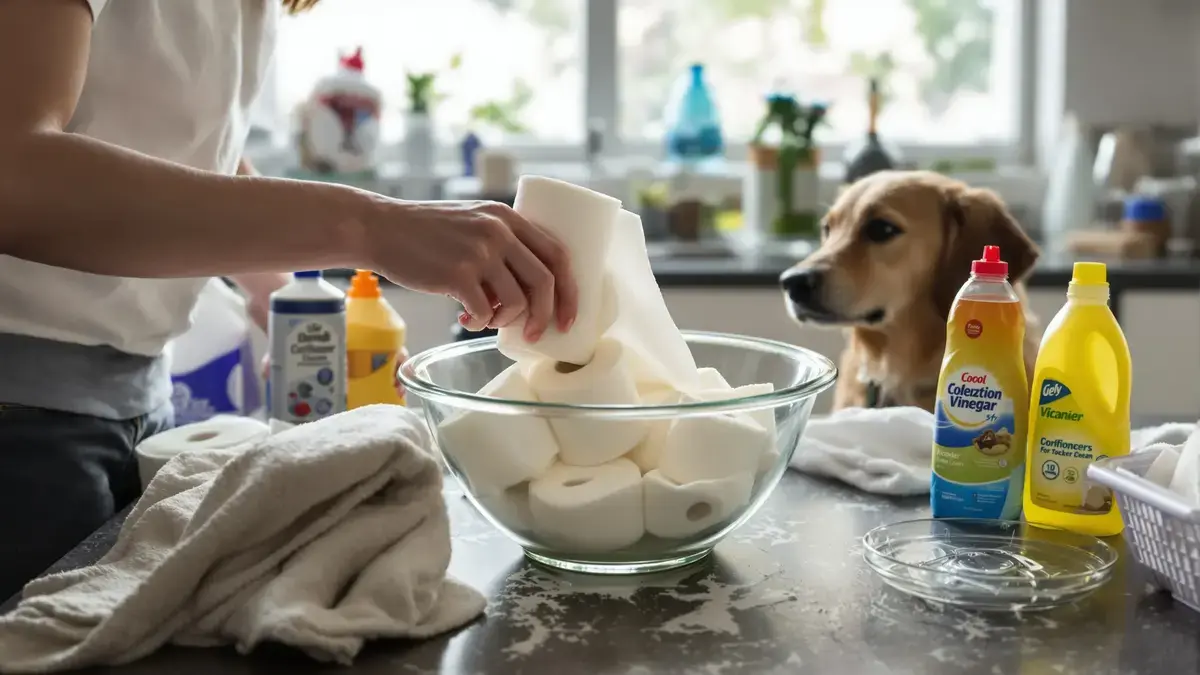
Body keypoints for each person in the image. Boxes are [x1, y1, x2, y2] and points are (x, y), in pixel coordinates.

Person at [0, 0, 577, 600]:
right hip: (21, 421)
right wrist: (369, 225)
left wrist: (279, 292)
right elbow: (12, 172)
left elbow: (192, 150)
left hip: (137, 404)